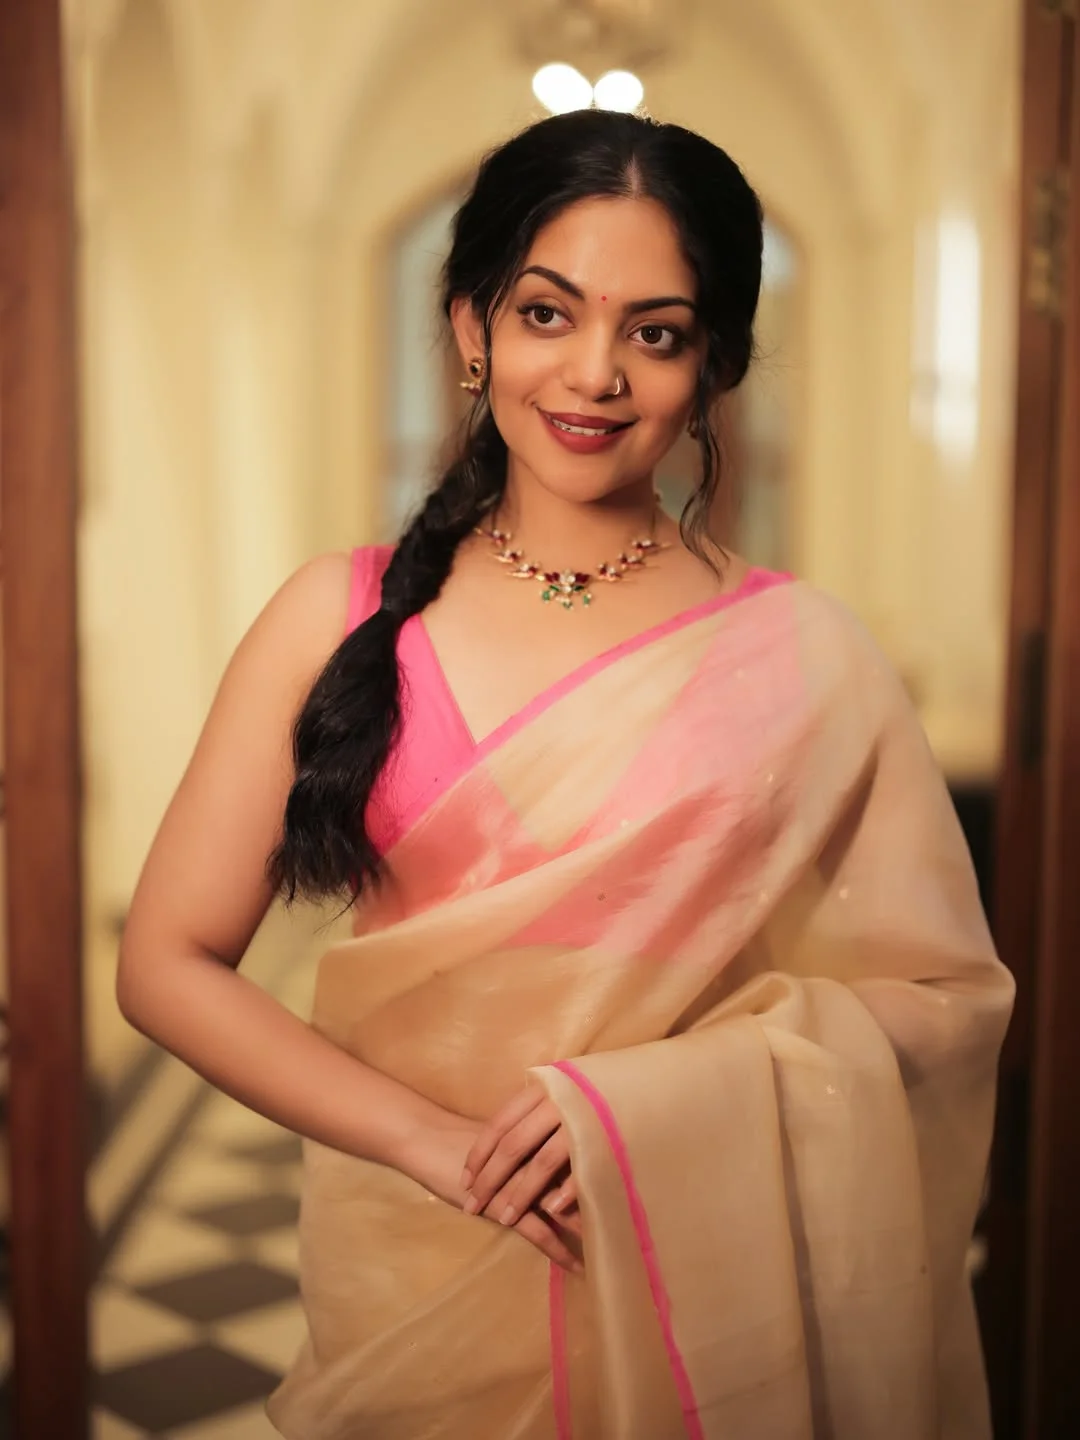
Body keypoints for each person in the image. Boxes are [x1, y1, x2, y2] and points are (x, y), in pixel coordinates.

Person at [118, 110, 1015, 1439]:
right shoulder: (339, 616)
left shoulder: (802, 652)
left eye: (654, 332)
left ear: (714, 363)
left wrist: (657, 1106)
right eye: (548, 314)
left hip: (702, 1282)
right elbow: (167, 962)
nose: (595, 373)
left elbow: (949, 998)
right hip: (411, 1275)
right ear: (474, 330)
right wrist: (436, 1148)